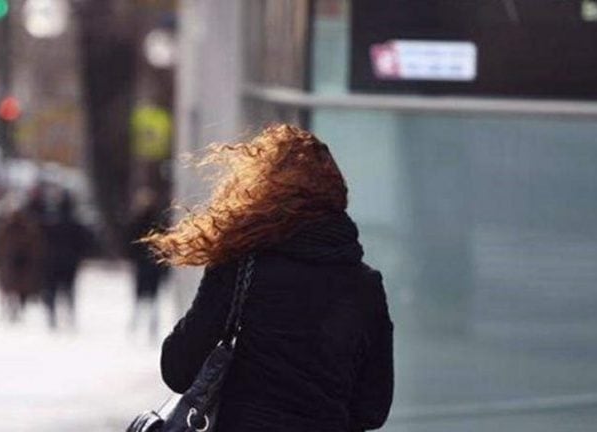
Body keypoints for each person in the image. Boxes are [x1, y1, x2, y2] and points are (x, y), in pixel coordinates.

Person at [142, 124, 394, 431]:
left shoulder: (240, 268)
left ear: (263, 194)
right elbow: (373, 408)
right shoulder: (365, 287)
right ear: (337, 198)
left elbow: (179, 370)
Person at [42, 191, 90, 329]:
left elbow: (44, 242)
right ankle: (69, 315)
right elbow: (84, 243)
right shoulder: (75, 224)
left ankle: (53, 317)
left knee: (52, 291)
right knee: (68, 291)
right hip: (70, 262)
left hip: (53, 262)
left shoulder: (50, 223)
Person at [127, 188, 168, 341]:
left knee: (143, 297)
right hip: (151, 265)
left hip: (146, 265)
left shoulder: (139, 222)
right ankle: (145, 325)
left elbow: (130, 244)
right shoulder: (158, 224)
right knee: (150, 297)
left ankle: (141, 325)